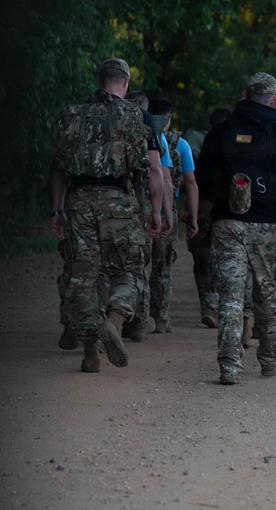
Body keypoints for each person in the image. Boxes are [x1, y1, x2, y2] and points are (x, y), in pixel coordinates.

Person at [48, 57, 166, 372]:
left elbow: (58, 170)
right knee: (129, 270)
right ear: (125, 83)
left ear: (99, 80)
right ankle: (114, 320)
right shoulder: (140, 115)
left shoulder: (70, 116)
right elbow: (155, 168)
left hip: (79, 201)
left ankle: (90, 351)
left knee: (82, 277)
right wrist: (155, 211)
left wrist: (57, 210)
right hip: (120, 201)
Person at [197, 72, 276, 385]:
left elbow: (202, 176)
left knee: (230, 294)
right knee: (267, 293)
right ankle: (270, 357)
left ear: (245, 94)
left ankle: (229, 364)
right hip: (267, 225)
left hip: (228, 223)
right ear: (273, 99)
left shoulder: (221, 130)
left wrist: (221, 200)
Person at [125, 90, 175, 341]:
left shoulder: (111, 124)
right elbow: (162, 174)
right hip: (142, 204)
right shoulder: (153, 132)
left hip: (112, 201)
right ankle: (141, 319)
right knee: (143, 263)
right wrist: (164, 213)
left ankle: (114, 318)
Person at [148, 97, 200, 333]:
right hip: (166, 206)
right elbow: (189, 182)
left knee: (133, 265)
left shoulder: (132, 133)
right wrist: (192, 216)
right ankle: (159, 318)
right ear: (168, 118)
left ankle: (135, 317)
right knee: (163, 266)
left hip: (134, 207)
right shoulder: (180, 144)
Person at [187, 107, 230, 328]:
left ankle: (208, 306)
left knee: (202, 258)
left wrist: (190, 212)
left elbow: (191, 180)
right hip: (227, 208)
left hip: (203, 204)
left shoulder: (201, 143)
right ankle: (227, 306)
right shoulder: (235, 142)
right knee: (227, 258)